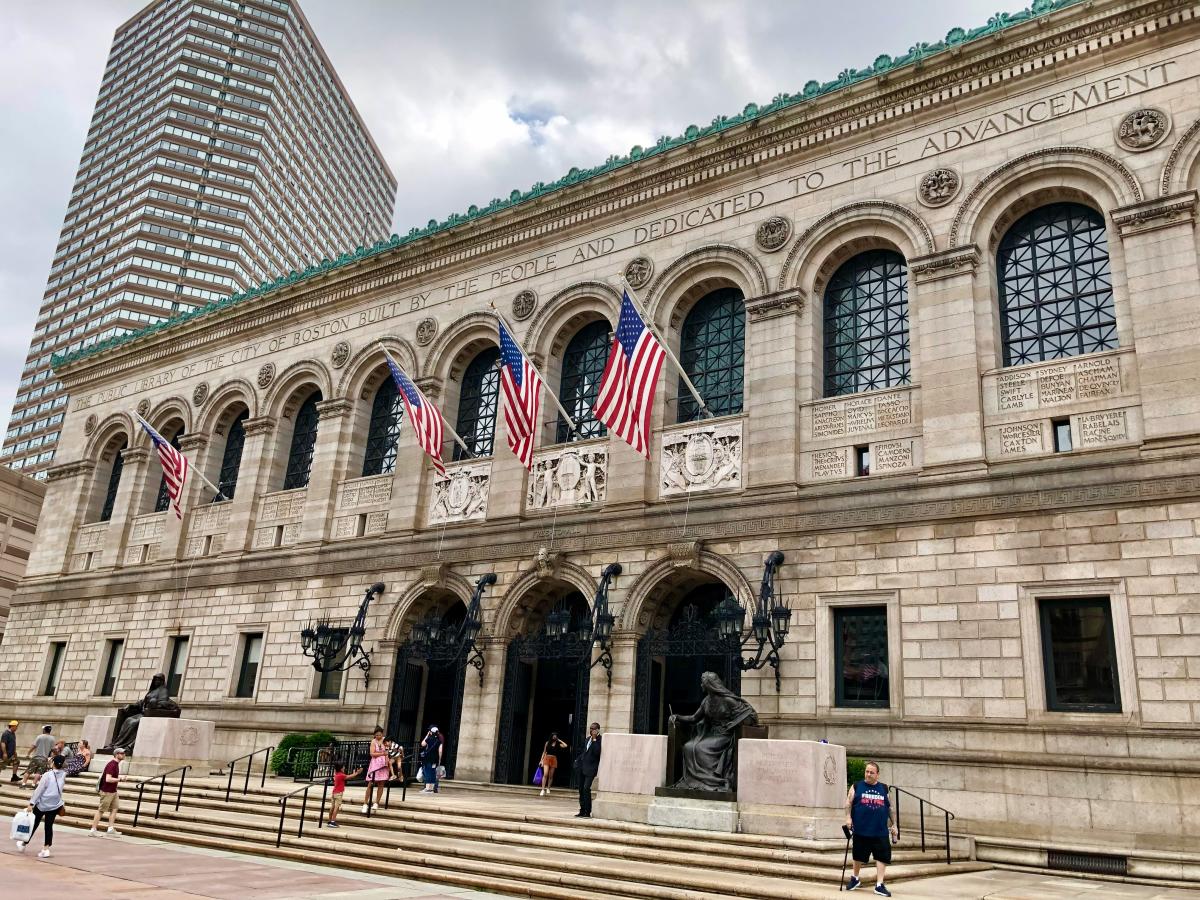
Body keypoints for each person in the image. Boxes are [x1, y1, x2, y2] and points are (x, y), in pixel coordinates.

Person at [844, 761, 897, 896]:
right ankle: (855, 879)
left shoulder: (884, 788)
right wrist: (848, 818)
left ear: (877, 775)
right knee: (858, 855)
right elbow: (848, 803)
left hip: (880, 830)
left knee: (882, 856)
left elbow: (890, 808)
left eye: (871, 772)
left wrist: (894, 824)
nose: (868, 774)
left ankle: (879, 885)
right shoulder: (856, 786)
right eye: (867, 771)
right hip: (861, 828)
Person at [18, 753, 66, 858]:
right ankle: (46, 848)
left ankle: (24, 843)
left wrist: (31, 803)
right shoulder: (63, 774)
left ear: (53, 762)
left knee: (33, 824)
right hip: (54, 805)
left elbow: (39, 790)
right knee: (48, 826)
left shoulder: (47, 775)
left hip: (42, 804)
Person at [90, 747, 126, 836]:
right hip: (107, 791)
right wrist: (120, 779)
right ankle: (93, 830)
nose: (124, 755)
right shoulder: (112, 764)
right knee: (101, 810)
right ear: (117, 754)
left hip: (113, 791)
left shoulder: (116, 764)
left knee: (114, 808)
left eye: (124, 753)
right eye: (122, 753)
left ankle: (110, 828)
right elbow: (108, 779)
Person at [574, 722, 601, 818]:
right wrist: (577, 761)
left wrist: (594, 739)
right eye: (590, 728)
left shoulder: (599, 740)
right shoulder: (587, 739)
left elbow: (597, 752)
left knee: (586, 788)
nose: (591, 730)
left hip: (591, 768)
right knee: (581, 789)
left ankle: (587, 811)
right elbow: (584, 752)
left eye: (593, 729)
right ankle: (582, 810)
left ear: (598, 730)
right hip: (582, 767)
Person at [327, 761, 363, 828]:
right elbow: (349, 777)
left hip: (334, 793)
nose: (344, 768)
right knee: (336, 808)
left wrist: (355, 772)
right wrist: (357, 773)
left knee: (332, 807)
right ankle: (333, 821)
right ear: (341, 768)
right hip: (339, 794)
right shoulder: (341, 775)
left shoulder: (336, 774)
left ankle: (329, 820)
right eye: (343, 767)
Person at [362, 726, 388, 813]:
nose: (378, 736)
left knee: (381, 784)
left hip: (384, 764)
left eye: (380, 735)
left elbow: (388, 751)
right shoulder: (373, 741)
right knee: (370, 784)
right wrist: (382, 753)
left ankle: (376, 802)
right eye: (376, 735)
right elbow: (372, 753)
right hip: (375, 764)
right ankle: (365, 803)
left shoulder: (385, 740)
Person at [538, 732, 568, 796]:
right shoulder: (547, 743)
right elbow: (544, 752)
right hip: (547, 758)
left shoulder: (558, 744)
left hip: (554, 759)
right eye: (553, 736)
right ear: (551, 736)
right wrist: (541, 760)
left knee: (551, 775)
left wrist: (559, 740)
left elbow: (566, 745)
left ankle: (548, 788)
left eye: (556, 736)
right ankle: (543, 789)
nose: (554, 737)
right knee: (545, 774)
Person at [419, 725, 443, 794]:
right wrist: (439, 760)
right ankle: (431, 789)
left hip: (427, 758)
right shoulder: (439, 741)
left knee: (427, 772)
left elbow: (422, 744)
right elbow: (440, 751)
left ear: (431, 732)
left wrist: (427, 735)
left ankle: (427, 788)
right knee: (432, 773)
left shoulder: (429, 739)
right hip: (435, 759)